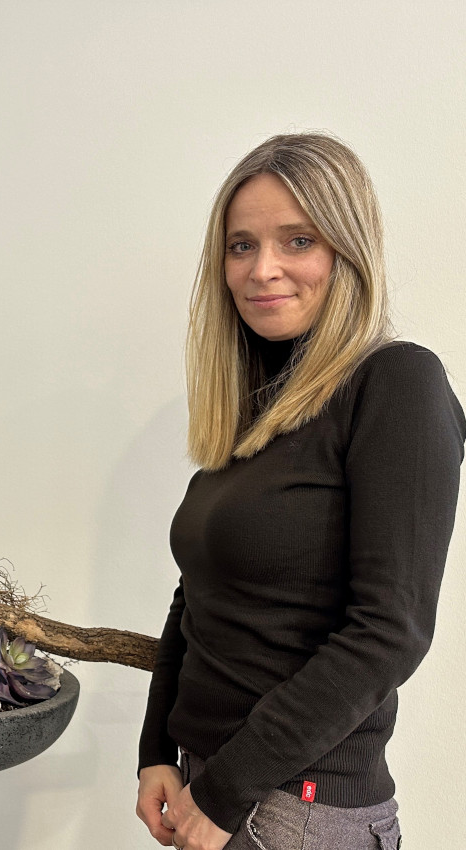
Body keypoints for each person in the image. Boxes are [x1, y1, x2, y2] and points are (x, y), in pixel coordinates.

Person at [134, 133, 465, 850]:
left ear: (347, 249)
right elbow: (194, 597)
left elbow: (390, 632)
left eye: (298, 239)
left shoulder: (398, 384)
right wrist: (156, 749)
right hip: (217, 790)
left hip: (297, 811)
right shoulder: (257, 410)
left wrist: (222, 794)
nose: (264, 269)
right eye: (242, 245)